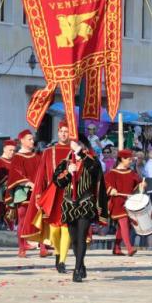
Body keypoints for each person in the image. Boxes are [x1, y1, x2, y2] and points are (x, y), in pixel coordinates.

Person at [53, 139, 108, 282]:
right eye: (74, 144)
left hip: (85, 202)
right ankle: (81, 263)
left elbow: (95, 171)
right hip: (69, 204)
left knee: (82, 235)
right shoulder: (65, 162)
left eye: (79, 144)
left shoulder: (91, 160)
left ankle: (77, 269)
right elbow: (58, 182)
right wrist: (68, 173)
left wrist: (81, 154)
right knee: (74, 238)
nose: (76, 147)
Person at [21, 120, 72, 273]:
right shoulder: (49, 152)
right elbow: (42, 175)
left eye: (66, 131)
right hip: (53, 195)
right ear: (58, 132)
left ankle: (62, 261)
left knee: (66, 228)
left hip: (69, 195)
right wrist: (38, 195)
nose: (63, 134)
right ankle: (57, 252)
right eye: (61, 131)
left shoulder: (75, 152)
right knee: (55, 230)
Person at [8, 129, 51, 258]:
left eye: (32, 139)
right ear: (22, 141)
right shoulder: (17, 157)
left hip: (38, 193)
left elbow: (43, 172)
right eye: (29, 139)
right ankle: (22, 248)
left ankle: (43, 248)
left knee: (41, 220)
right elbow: (15, 174)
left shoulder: (37, 156)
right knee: (22, 220)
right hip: (23, 193)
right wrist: (28, 183)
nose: (32, 141)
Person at [105, 149, 145, 256]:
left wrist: (142, 185)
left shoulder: (131, 173)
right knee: (123, 222)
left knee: (123, 225)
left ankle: (117, 248)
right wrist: (111, 190)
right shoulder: (112, 173)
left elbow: (139, 182)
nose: (131, 161)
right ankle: (129, 248)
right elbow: (106, 184)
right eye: (129, 159)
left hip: (129, 202)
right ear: (122, 159)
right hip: (117, 202)